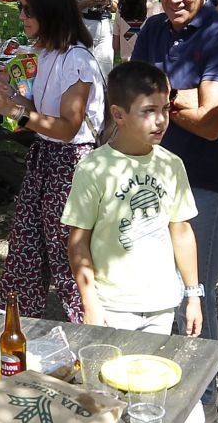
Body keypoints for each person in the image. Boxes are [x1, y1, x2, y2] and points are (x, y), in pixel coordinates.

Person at [132, 0, 218, 423]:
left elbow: (213, 120)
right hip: (152, 176)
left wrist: (158, 95)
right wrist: (183, 97)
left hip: (205, 178)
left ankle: (205, 396)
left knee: (192, 288)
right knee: (154, 286)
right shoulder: (153, 29)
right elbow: (129, 97)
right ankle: (167, 384)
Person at [0, 0, 103, 320]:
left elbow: (67, 129)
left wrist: (15, 110)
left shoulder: (77, 59)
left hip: (71, 165)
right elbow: (38, 112)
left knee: (68, 259)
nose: (22, 16)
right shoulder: (45, 54)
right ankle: (16, 333)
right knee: (24, 251)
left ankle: (91, 333)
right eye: (20, 8)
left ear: (49, 12)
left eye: (27, 9)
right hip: (45, 158)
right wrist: (9, 98)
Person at [64, 61, 202, 334]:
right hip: (113, 306)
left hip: (162, 304)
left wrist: (193, 295)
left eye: (164, 109)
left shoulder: (171, 164)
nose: (161, 120)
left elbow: (182, 231)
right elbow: (78, 241)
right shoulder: (95, 167)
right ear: (119, 114)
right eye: (148, 111)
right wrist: (90, 302)